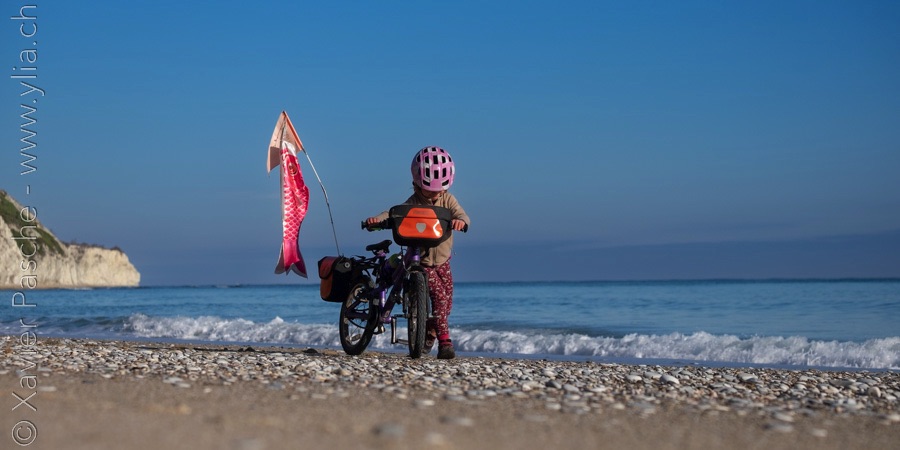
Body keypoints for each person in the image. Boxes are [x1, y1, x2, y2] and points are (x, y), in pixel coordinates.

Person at [366, 146, 470, 359]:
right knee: (439, 298)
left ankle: (430, 332)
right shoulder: (413, 203)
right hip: (421, 261)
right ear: (416, 184)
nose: (435, 194)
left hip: (443, 260)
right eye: (429, 190)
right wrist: (377, 219)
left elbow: (462, 215)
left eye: (439, 190)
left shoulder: (448, 200)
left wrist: (460, 221)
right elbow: (393, 213)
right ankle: (445, 342)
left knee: (447, 303)